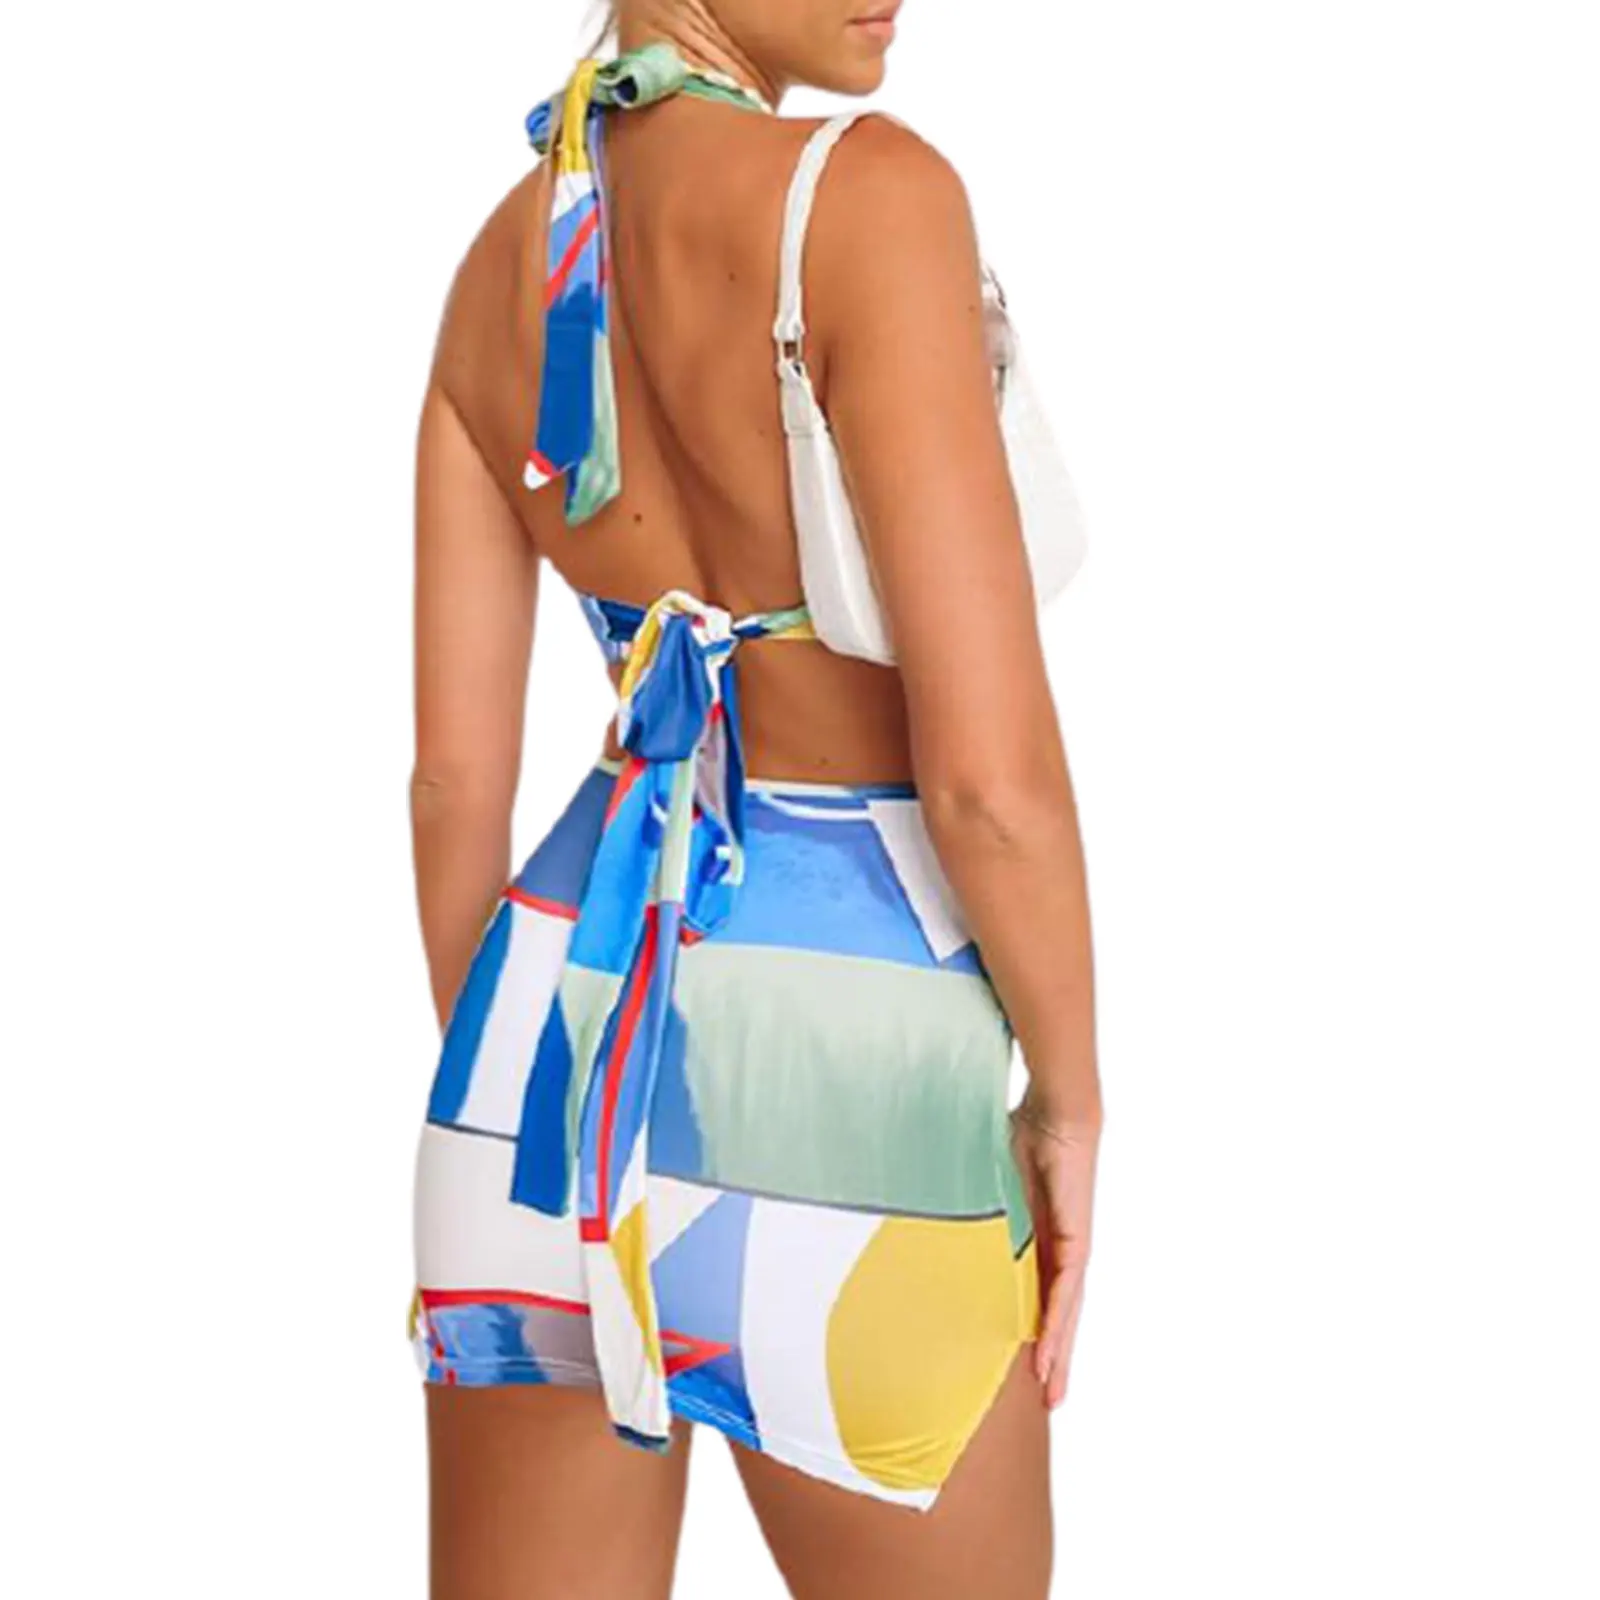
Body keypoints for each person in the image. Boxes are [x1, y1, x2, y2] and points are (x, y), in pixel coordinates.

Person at [404, 2, 1102, 1594]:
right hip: (855, 1071)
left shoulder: (497, 269)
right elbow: (989, 789)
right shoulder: (872, 197)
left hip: (546, 1058)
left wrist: (555, 1100)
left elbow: (451, 785)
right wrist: (1068, 1106)